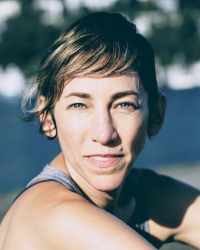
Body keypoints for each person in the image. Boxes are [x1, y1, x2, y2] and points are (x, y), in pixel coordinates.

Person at [0, 12, 200, 249]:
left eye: (124, 104)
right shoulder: (51, 214)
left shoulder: (147, 196)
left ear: (156, 116)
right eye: (78, 105)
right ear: (47, 118)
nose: (104, 134)